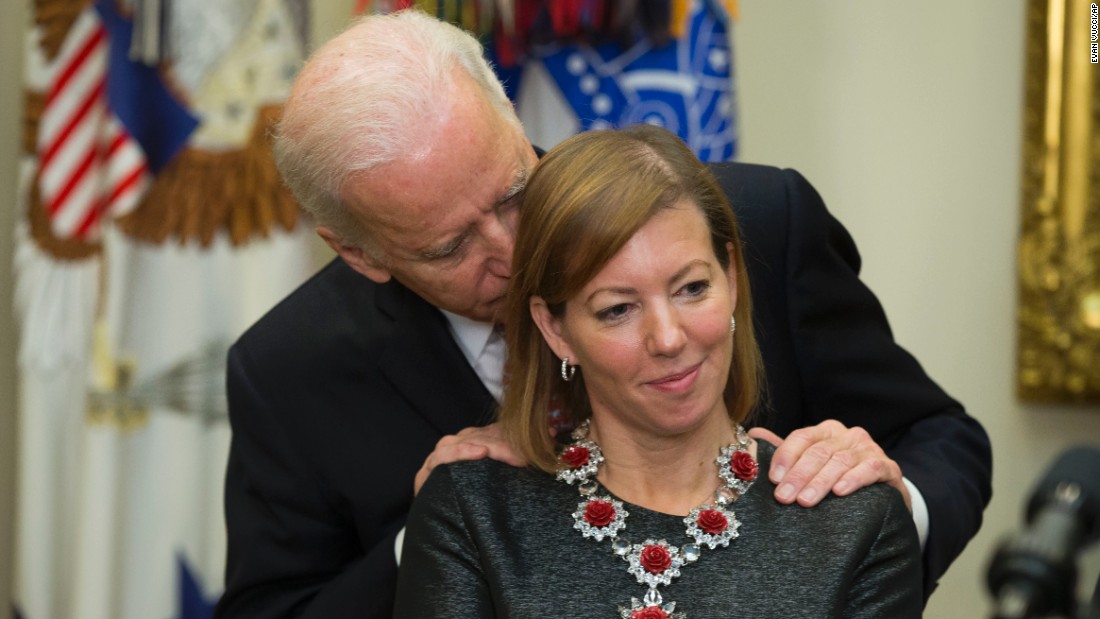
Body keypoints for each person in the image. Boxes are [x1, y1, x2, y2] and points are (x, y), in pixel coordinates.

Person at [215, 9, 990, 618]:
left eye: (514, 192)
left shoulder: (757, 222)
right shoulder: (289, 369)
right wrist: (425, 543)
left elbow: (942, 438)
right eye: (451, 246)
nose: (514, 251)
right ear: (361, 254)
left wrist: (876, 518)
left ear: (512, 120)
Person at [394, 123, 923, 617]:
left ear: (732, 278)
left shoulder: (856, 521)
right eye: (617, 309)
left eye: (693, 288)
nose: (669, 338)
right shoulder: (471, 513)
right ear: (555, 330)